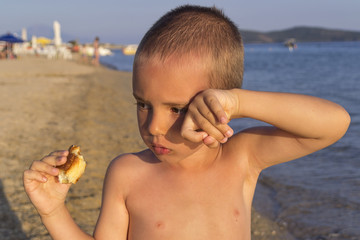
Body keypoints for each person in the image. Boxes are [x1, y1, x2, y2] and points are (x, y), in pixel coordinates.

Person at [23, 5, 350, 240]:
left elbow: (334, 123)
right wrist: (53, 212)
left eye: (177, 109)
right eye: (143, 104)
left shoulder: (240, 159)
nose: (153, 126)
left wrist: (238, 102)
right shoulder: (127, 174)